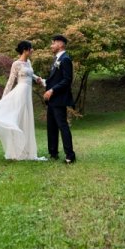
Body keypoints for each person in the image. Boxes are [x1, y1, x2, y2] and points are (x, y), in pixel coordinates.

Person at [44, 34, 76, 163]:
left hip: (59, 98)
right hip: (52, 100)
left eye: (53, 43)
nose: (51, 46)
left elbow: (67, 80)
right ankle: (53, 153)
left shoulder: (65, 59)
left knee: (62, 126)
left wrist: (52, 90)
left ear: (60, 44)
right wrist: (44, 82)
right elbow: (55, 79)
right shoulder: (56, 59)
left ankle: (70, 156)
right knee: (51, 126)